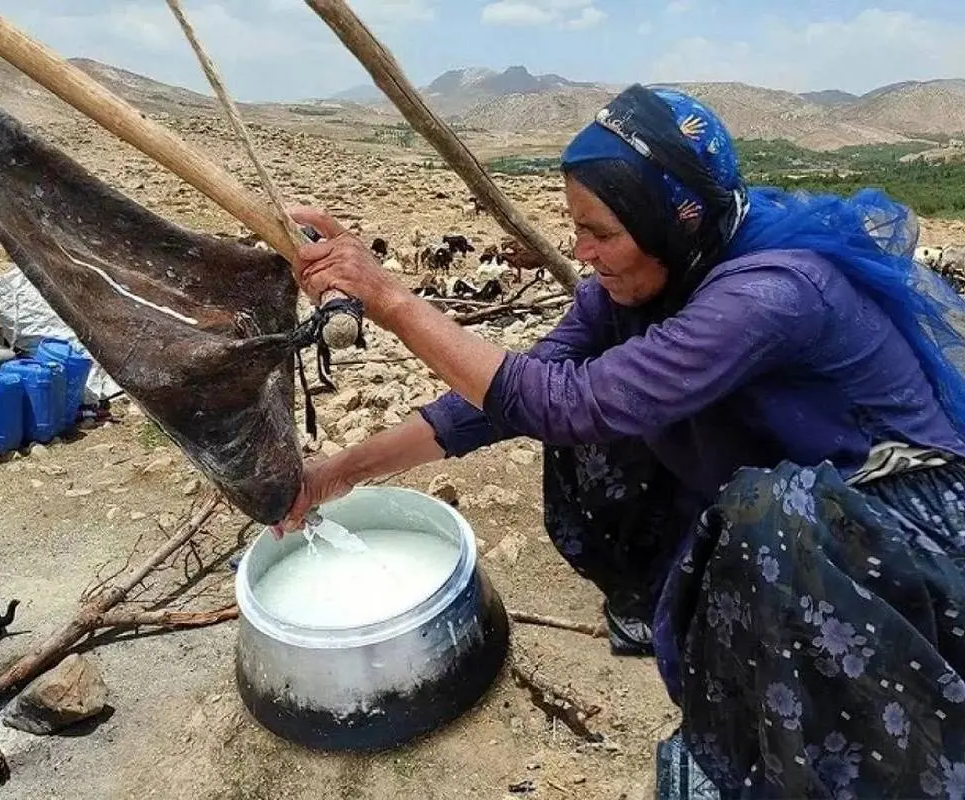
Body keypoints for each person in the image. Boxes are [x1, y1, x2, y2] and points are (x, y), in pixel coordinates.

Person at [278, 83, 965, 799]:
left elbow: (569, 404)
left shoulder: (771, 294)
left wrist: (389, 299)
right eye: (576, 228)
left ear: (672, 221)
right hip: (790, 502)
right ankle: (665, 597)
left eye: (602, 231)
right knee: (595, 418)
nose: (583, 253)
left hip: (889, 531)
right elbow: (505, 398)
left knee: (762, 512)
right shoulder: (646, 284)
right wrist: (336, 474)